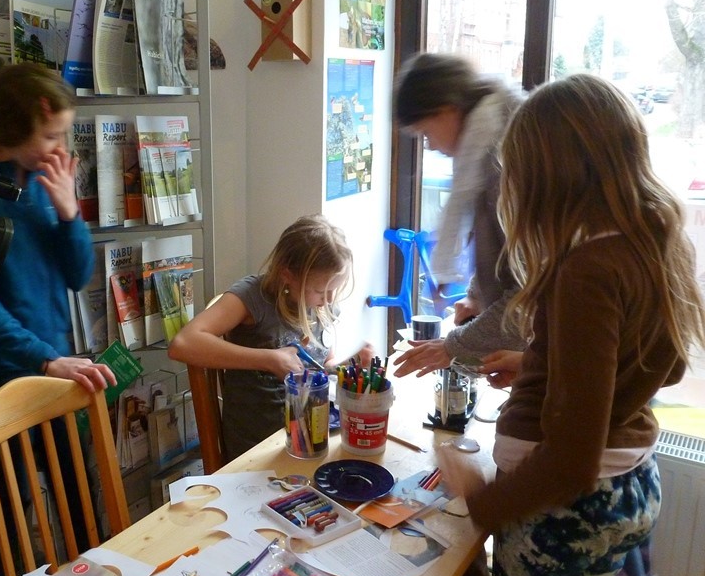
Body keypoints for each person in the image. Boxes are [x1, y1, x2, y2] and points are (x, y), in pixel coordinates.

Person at [436, 73, 705, 576]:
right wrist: (545, 361)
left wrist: (483, 502)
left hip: (565, 515)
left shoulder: (586, 271)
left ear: (548, 177)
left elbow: (571, 461)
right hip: (631, 480)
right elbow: (661, 364)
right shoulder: (654, 240)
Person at [0, 63, 115, 571]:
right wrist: (45, 360)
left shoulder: (42, 180)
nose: (60, 147)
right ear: (14, 129)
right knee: (4, 529)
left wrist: (68, 212)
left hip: (55, 371)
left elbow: (78, 273)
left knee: (82, 508)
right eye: (52, 134)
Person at [167, 214, 374, 460]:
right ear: (288, 275)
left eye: (334, 290)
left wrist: (348, 366)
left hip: (309, 439)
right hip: (259, 450)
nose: (329, 300)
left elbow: (321, 367)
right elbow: (183, 345)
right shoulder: (253, 297)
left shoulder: (318, 306)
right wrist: (267, 359)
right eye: (321, 290)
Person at [389, 53, 528, 380]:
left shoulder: (500, 160)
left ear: (448, 110)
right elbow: (503, 253)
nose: (431, 146)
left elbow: (527, 294)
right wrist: (479, 296)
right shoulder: (487, 144)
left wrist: (452, 346)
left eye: (426, 132)